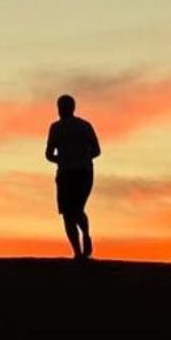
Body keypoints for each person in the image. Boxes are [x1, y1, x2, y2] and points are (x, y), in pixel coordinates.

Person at [45, 93, 100, 259]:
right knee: (73, 211)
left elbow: (48, 154)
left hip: (71, 173)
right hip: (80, 172)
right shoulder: (83, 126)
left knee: (71, 212)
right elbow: (96, 151)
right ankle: (79, 249)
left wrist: (66, 159)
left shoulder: (59, 127)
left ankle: (80, 247)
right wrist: (79, 157)